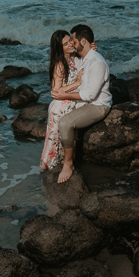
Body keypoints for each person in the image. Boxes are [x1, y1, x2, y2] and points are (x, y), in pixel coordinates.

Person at [50, 24, 112, 183]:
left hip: (97, 105)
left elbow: (90, 95)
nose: (72, 43)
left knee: (65, 123)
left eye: (73, 41)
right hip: (83, 102)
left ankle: (68, 164)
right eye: (69, 41)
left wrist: (65, 93)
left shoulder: (97, 62)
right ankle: (57, 155)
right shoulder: (82, 58)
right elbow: (67, 63)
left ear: (83, 41)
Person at [39, 30, 85, 170]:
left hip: (69, 104)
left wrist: (93, 48)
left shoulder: (72, 57)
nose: (70, 44)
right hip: (60, 108)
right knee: (56, 142)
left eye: (70, 40)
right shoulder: (60, 64)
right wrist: (77, 83)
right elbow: (55, 91)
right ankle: (49, 170)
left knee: (66, 140)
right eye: (65, 44)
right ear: (60, 48)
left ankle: (63, 165)